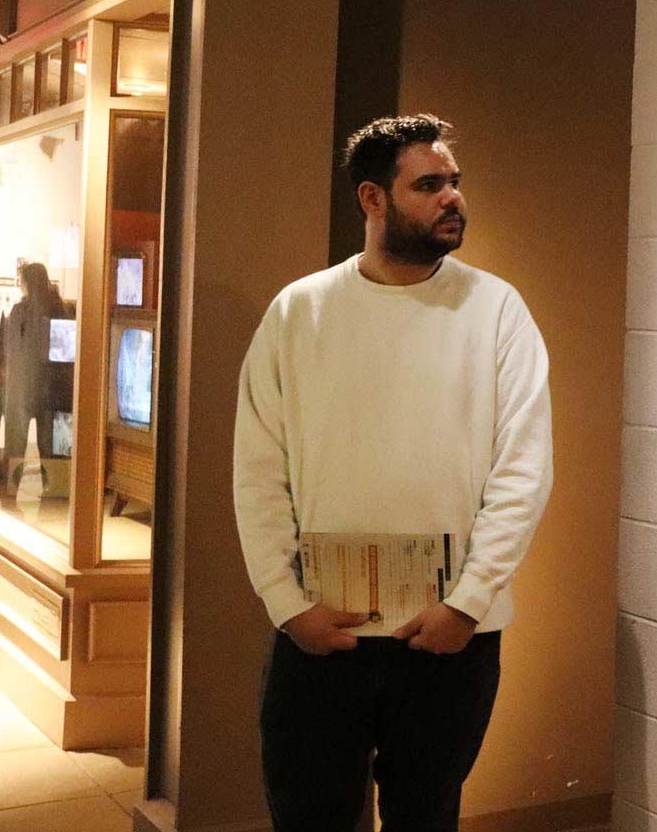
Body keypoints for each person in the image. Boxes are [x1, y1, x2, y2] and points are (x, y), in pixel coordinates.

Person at [233, 114, 553, 832]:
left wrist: (467, 603)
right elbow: (257, 471)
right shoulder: (300, 313)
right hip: (321, 634)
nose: (453, 200)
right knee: (310, 817)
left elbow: (522, 472)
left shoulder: (497, 310)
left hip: (446, 638)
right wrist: (286, 605)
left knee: (427, 817)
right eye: (429, 185)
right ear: (372, 199)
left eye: (455, 184)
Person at [0, 261, 68, 500]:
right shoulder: (60, 310)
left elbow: (11, 353)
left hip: (24, 389)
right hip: (52, 391)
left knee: (15, 445)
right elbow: (65, 357)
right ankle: (56, 492)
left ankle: (8, 492)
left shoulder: (20, 312)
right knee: (51, 450)